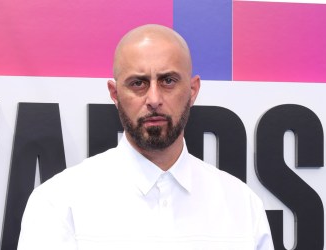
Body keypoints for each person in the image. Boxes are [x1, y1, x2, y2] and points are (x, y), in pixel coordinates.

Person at [17, 24, 274, 249]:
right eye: (138, 83)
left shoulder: (242, 205)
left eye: (168, 81)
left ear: (193, 90)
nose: (154, 100)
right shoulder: (59, 203)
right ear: (115, 94)